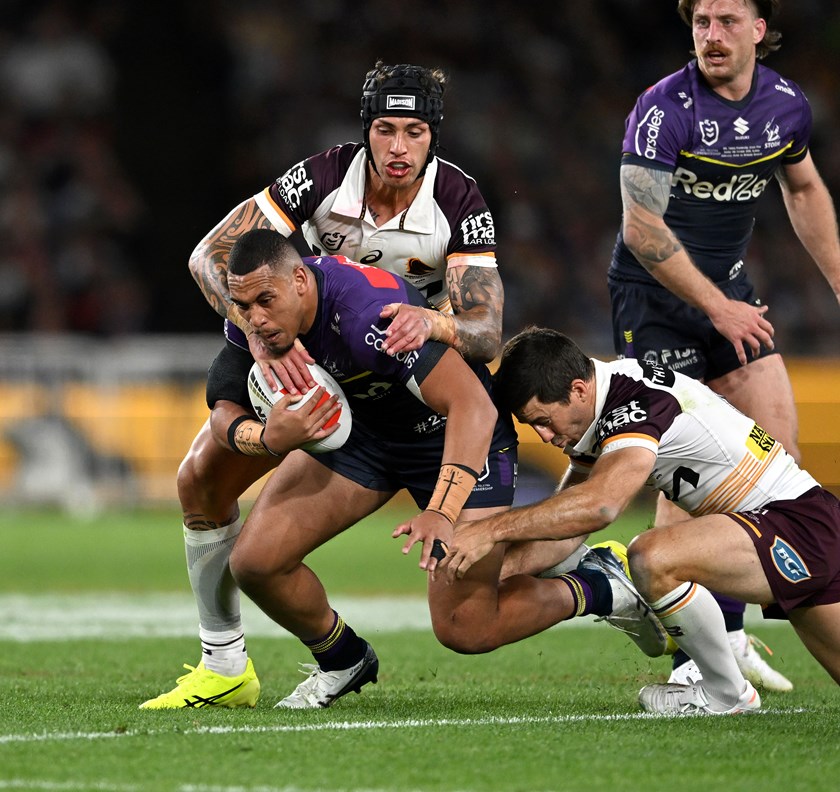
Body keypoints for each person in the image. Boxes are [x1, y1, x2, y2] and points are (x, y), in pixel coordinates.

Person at [151, 231, 665, 710]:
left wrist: (442, 511)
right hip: (370, 435)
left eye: (266, 302)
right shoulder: (253, 315)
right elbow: (222, 403)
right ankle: (343, 659)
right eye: (243, 306)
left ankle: (601, 586)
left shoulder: (364, 317)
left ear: (301, 281)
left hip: (454, 434)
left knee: (466, 627)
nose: (256, 319)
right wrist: (265, 438)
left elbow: (475, 408)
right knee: (256, 562)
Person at [141, 61, 505, 708]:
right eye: (385, 130)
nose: (398, 147)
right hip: (331, 377)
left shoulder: (457, 201)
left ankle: (604, 581)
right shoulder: (320, 177)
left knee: (467, 622)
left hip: (421, 384)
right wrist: (257, 333)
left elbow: (485, 332)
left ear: (433, 137)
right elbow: (211, 257)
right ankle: (225, 665)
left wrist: (438, 321)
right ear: (366, 130)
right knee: (199, 478)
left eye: (414, 132)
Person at [607, 0, 840, 691]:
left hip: (729, 297)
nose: (711, 35)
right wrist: (718, 308)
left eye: (727, 21)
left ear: (760, 29)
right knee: (687, 468)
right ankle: (690, 661)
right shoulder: (663, 110)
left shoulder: (787, 107)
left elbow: (803, 187)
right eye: (701, 21)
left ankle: (729, 632)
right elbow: (642, 230)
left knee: (778, 463)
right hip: (654, 304)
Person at [442, 326, 840, 714]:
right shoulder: (604, 407)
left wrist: (489, 530)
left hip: (793, 525)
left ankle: (727, 693)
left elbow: (600, 506)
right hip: (790, 526)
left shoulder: (633, 403)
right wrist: (494, 572)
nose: (544, 436)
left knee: (652, 556)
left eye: (543, 420)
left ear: (578, 390)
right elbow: (568, 525)